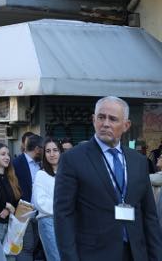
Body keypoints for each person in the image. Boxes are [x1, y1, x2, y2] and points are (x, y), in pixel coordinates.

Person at [54, 96, 162, 261]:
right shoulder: (73, 159)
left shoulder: (138, 161)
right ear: (93, 120)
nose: (105, 123)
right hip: (93, 254)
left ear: (126, 125)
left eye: (113, 119)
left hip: (136, 253)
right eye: (101, 117)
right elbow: (63, 215)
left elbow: (149, 216)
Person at [12, 133, 42, 261]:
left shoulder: (41, 164)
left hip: (39, 212)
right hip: (23, 211)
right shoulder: (16, 163)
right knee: (26, 246)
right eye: (44, 149)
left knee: (34, 245)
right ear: (37, 149)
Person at [32, 137, 62, 261]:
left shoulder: (67, 174)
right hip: (48, 221)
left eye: (55, 150)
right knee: (56, 258)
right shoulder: (41, 174)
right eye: (48, 151)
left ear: (60, 152)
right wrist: (63, 208)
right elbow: (40, 203)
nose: (52, 154)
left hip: (66, 221)